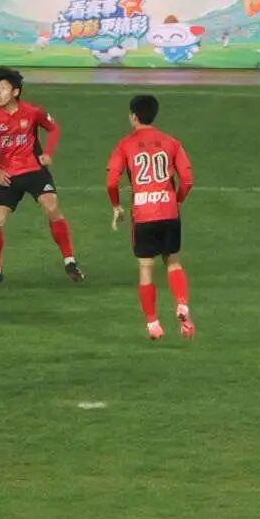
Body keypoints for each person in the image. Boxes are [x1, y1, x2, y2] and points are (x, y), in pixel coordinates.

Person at [105, 93, 200, 339]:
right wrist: (176, 201)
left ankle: (153, 324)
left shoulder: (125, 145)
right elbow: (188, 180)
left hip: (143, 214)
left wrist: (116, 206)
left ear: (133, 117)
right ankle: (182, 304)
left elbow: (112, 182)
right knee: (173, 261)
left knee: (146, 268)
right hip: (168, 211)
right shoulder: (171, 142)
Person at [0, 67, 81, 284]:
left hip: (35, 171)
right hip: (9, 177)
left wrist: (48, 153)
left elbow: (54, 128)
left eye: (2, 89)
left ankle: (70, 261)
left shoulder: (33, 112)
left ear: (15, 92)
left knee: (51, 206)